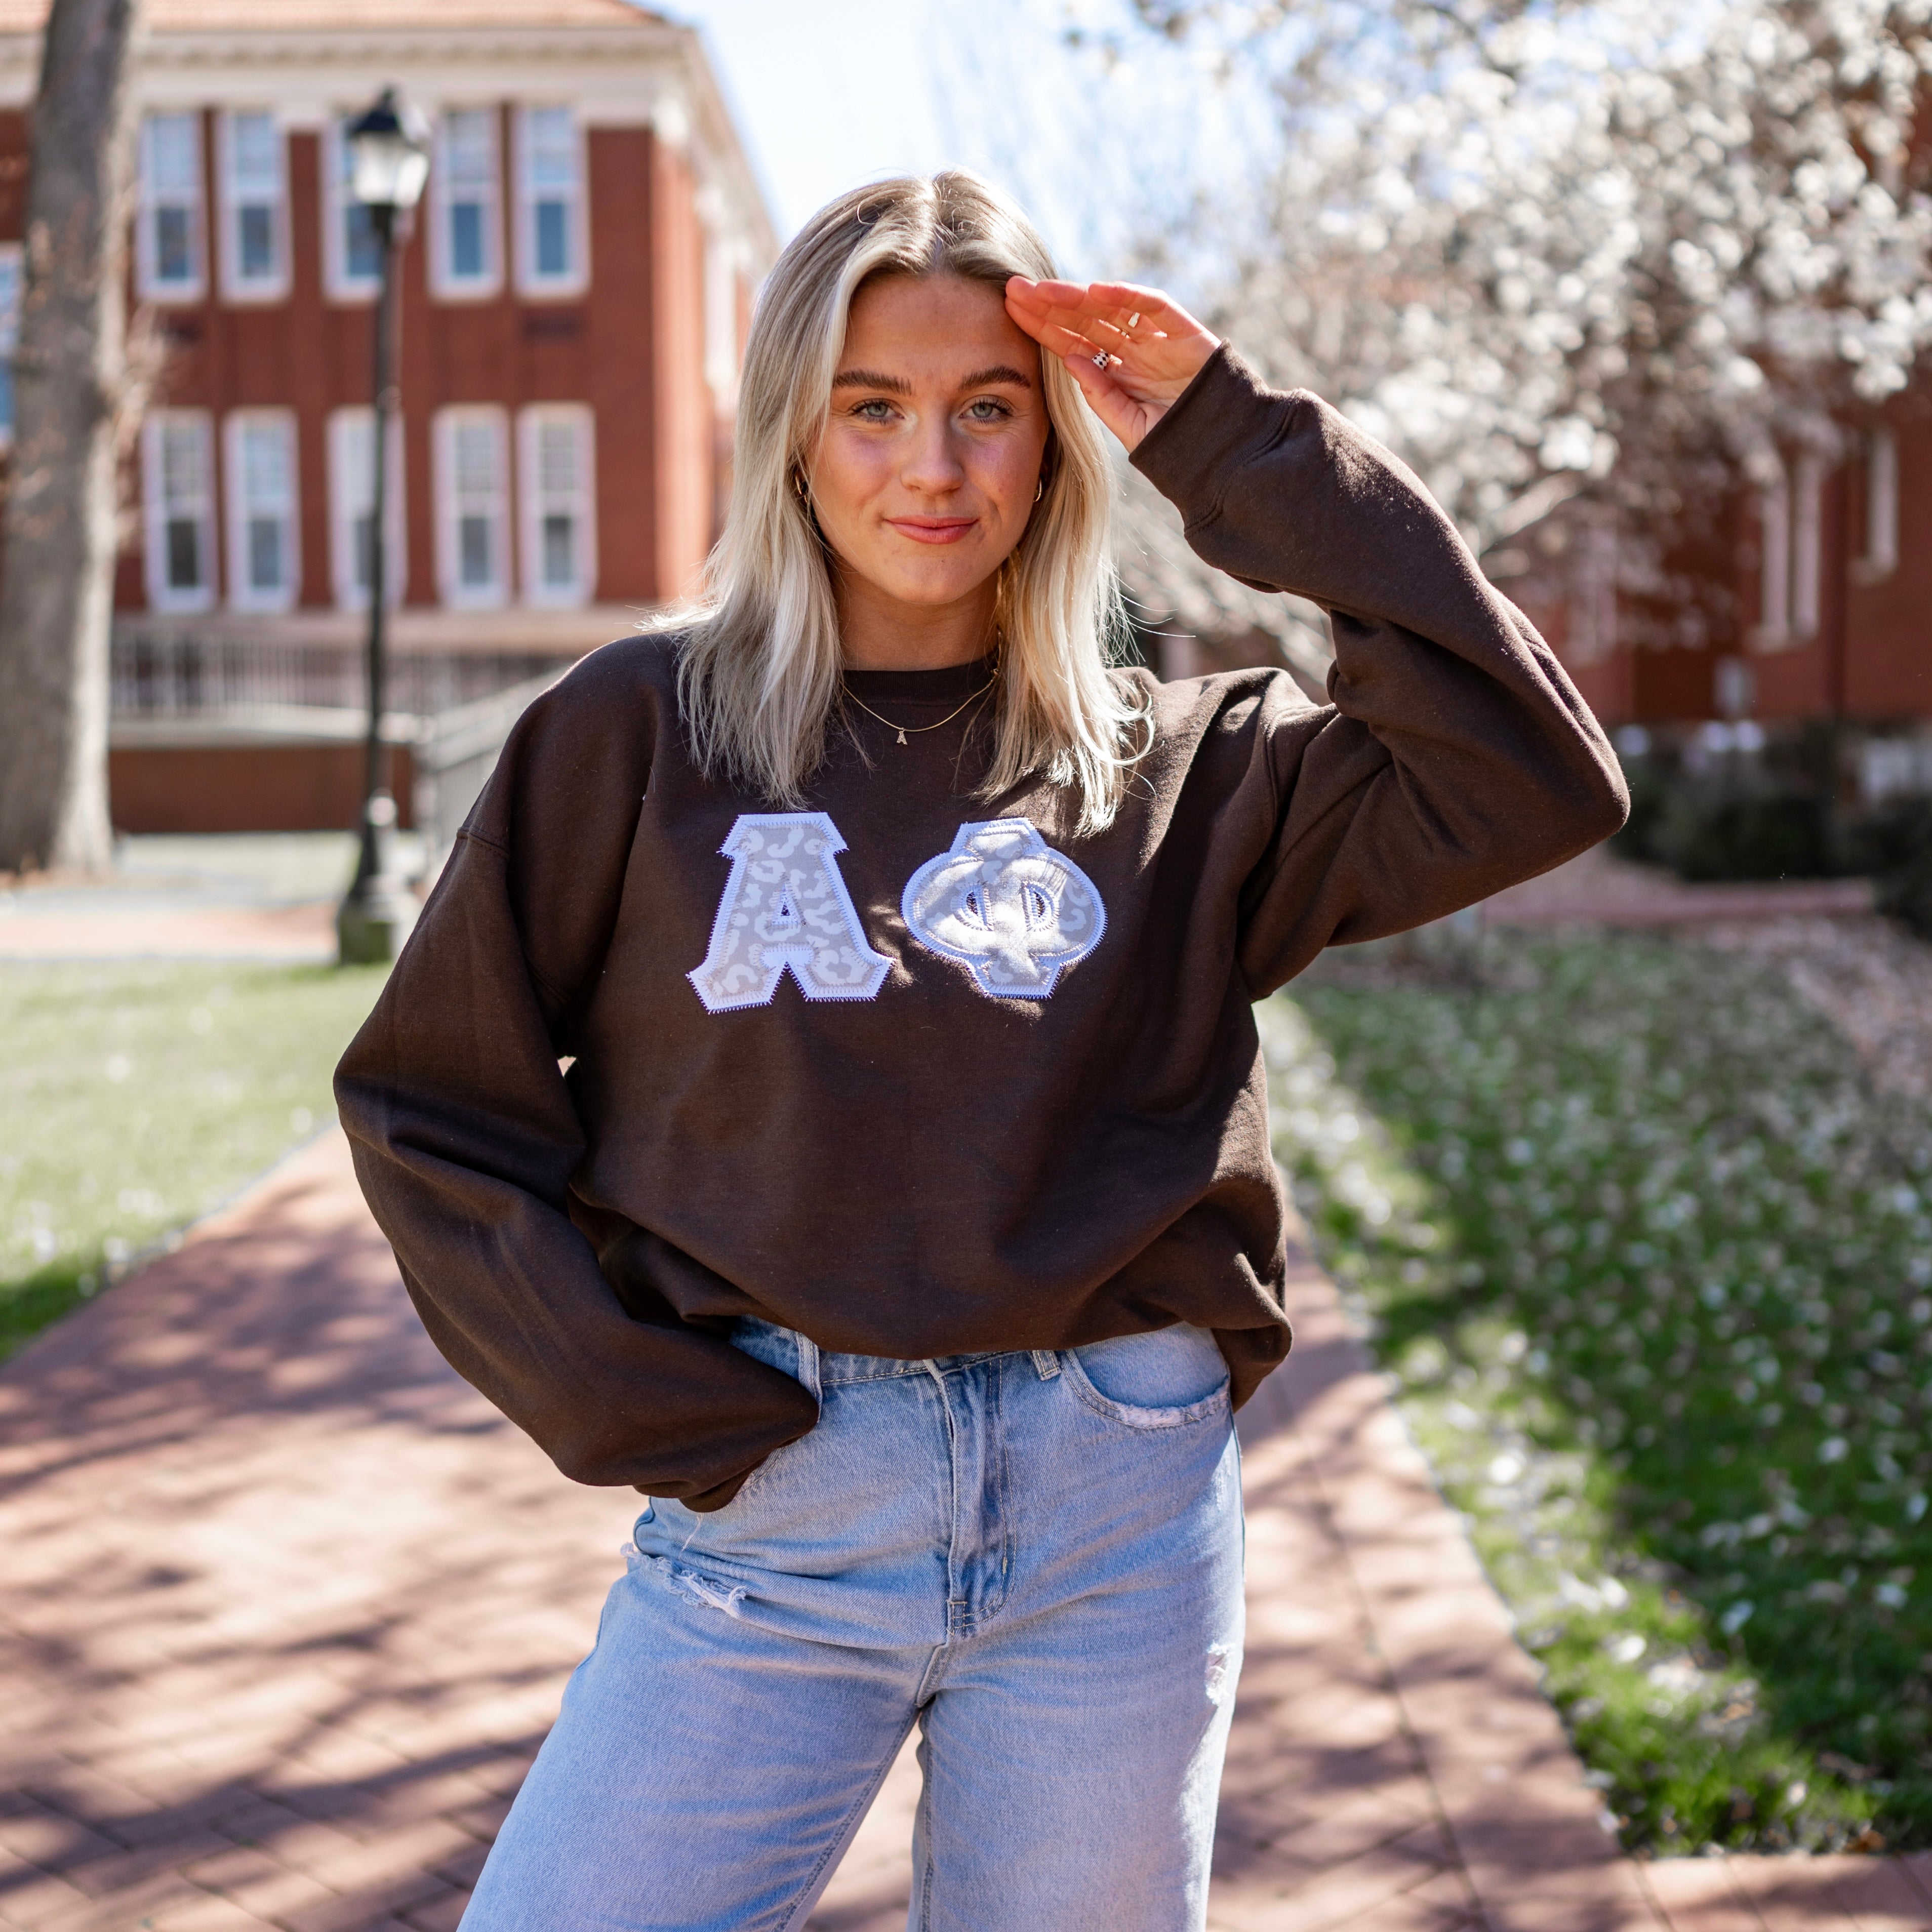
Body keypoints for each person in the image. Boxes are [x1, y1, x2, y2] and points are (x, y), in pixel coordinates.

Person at [334, 170, 1626, 1932]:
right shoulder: (635, 734)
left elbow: (1534, 770)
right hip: (781, 1506)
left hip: (1119, 1511)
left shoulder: (1195, 769)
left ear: (1056, 443)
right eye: (873, 408)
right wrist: (632, 1401)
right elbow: (429, 1103)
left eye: (986, 411)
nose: (931, 470)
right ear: (795, 432)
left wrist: (1235, 442)